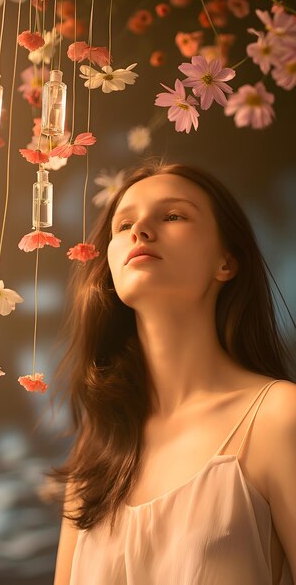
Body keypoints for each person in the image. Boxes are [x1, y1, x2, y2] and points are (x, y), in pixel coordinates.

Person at [51, 162, 296, 585]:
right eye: (123, 223)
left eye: (173, 216)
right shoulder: (100, 444)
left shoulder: (279, 417)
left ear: (226, 261)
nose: (139, 230)